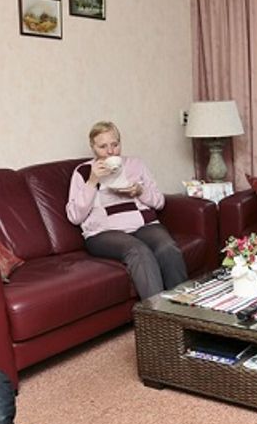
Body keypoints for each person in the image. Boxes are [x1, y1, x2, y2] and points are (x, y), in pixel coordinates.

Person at [66, 121, 187, 299]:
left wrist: (140, 191)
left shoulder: (136, 165)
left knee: (167, 248)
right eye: (103, 147)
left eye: (115, 144)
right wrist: (92, 181)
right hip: (104, 232)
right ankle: (158, 313)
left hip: (143, 225)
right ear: (93, 148)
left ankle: (184, 307)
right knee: (139, 252)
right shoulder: (83, 172)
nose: (110, 151)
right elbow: (75, 216)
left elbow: (159, 202)